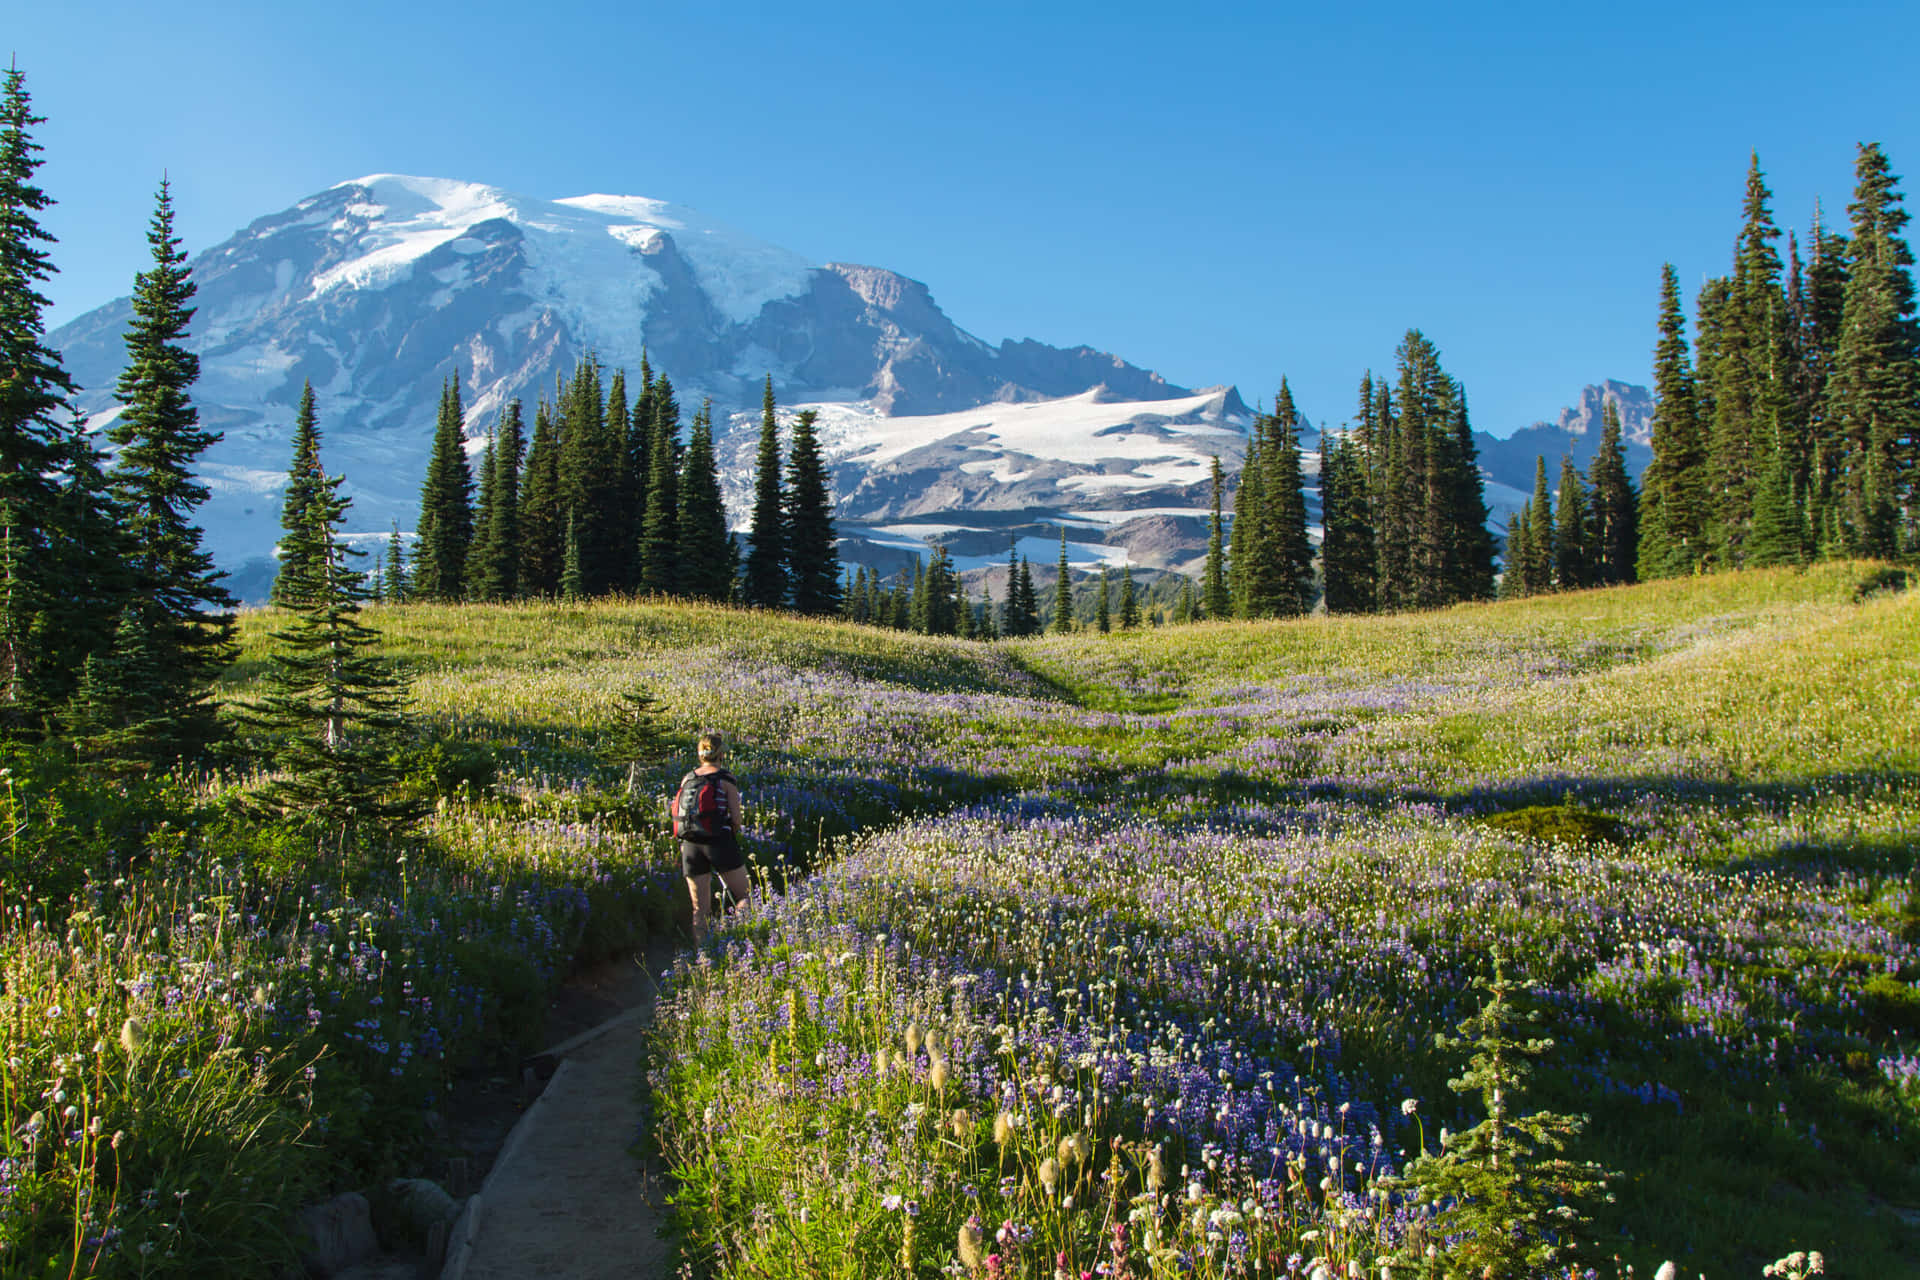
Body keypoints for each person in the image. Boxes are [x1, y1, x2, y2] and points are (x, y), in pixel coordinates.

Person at [673, 731, 748, 942]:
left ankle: (703, 958)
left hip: (690, 845)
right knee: (744, 896)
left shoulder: (687, 778)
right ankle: (741, 941)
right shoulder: (725, 778)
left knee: (699, 909)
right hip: (719, 842)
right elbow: (736, 818)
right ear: (721, 754)